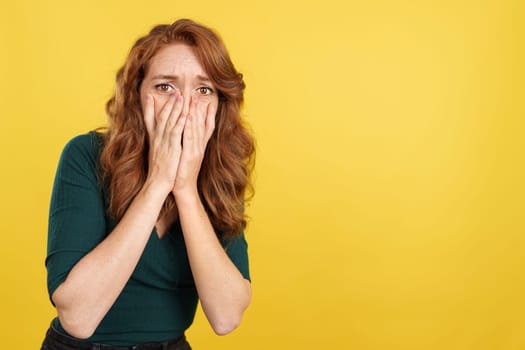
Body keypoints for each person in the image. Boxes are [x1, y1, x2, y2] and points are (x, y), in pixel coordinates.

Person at [41, 18, 255, 350]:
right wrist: (157, 184)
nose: (184, 106)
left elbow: (226, 316)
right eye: (165, 87)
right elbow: (77, 318)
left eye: (203, 89)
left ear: (219, 104)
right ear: (136, 97)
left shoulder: (220, 172)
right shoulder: (86, 156)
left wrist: (185, 190)